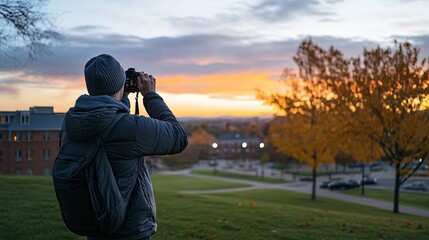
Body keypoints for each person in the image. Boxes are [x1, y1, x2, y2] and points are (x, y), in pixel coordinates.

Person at [62, 54, 188, 240]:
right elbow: (178, 137)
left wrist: (119, 97)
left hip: (97, 222)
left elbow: (109, 123)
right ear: (120, 84)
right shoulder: (130, 129)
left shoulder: (72, 122)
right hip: (129, 231)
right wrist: (151, 96)